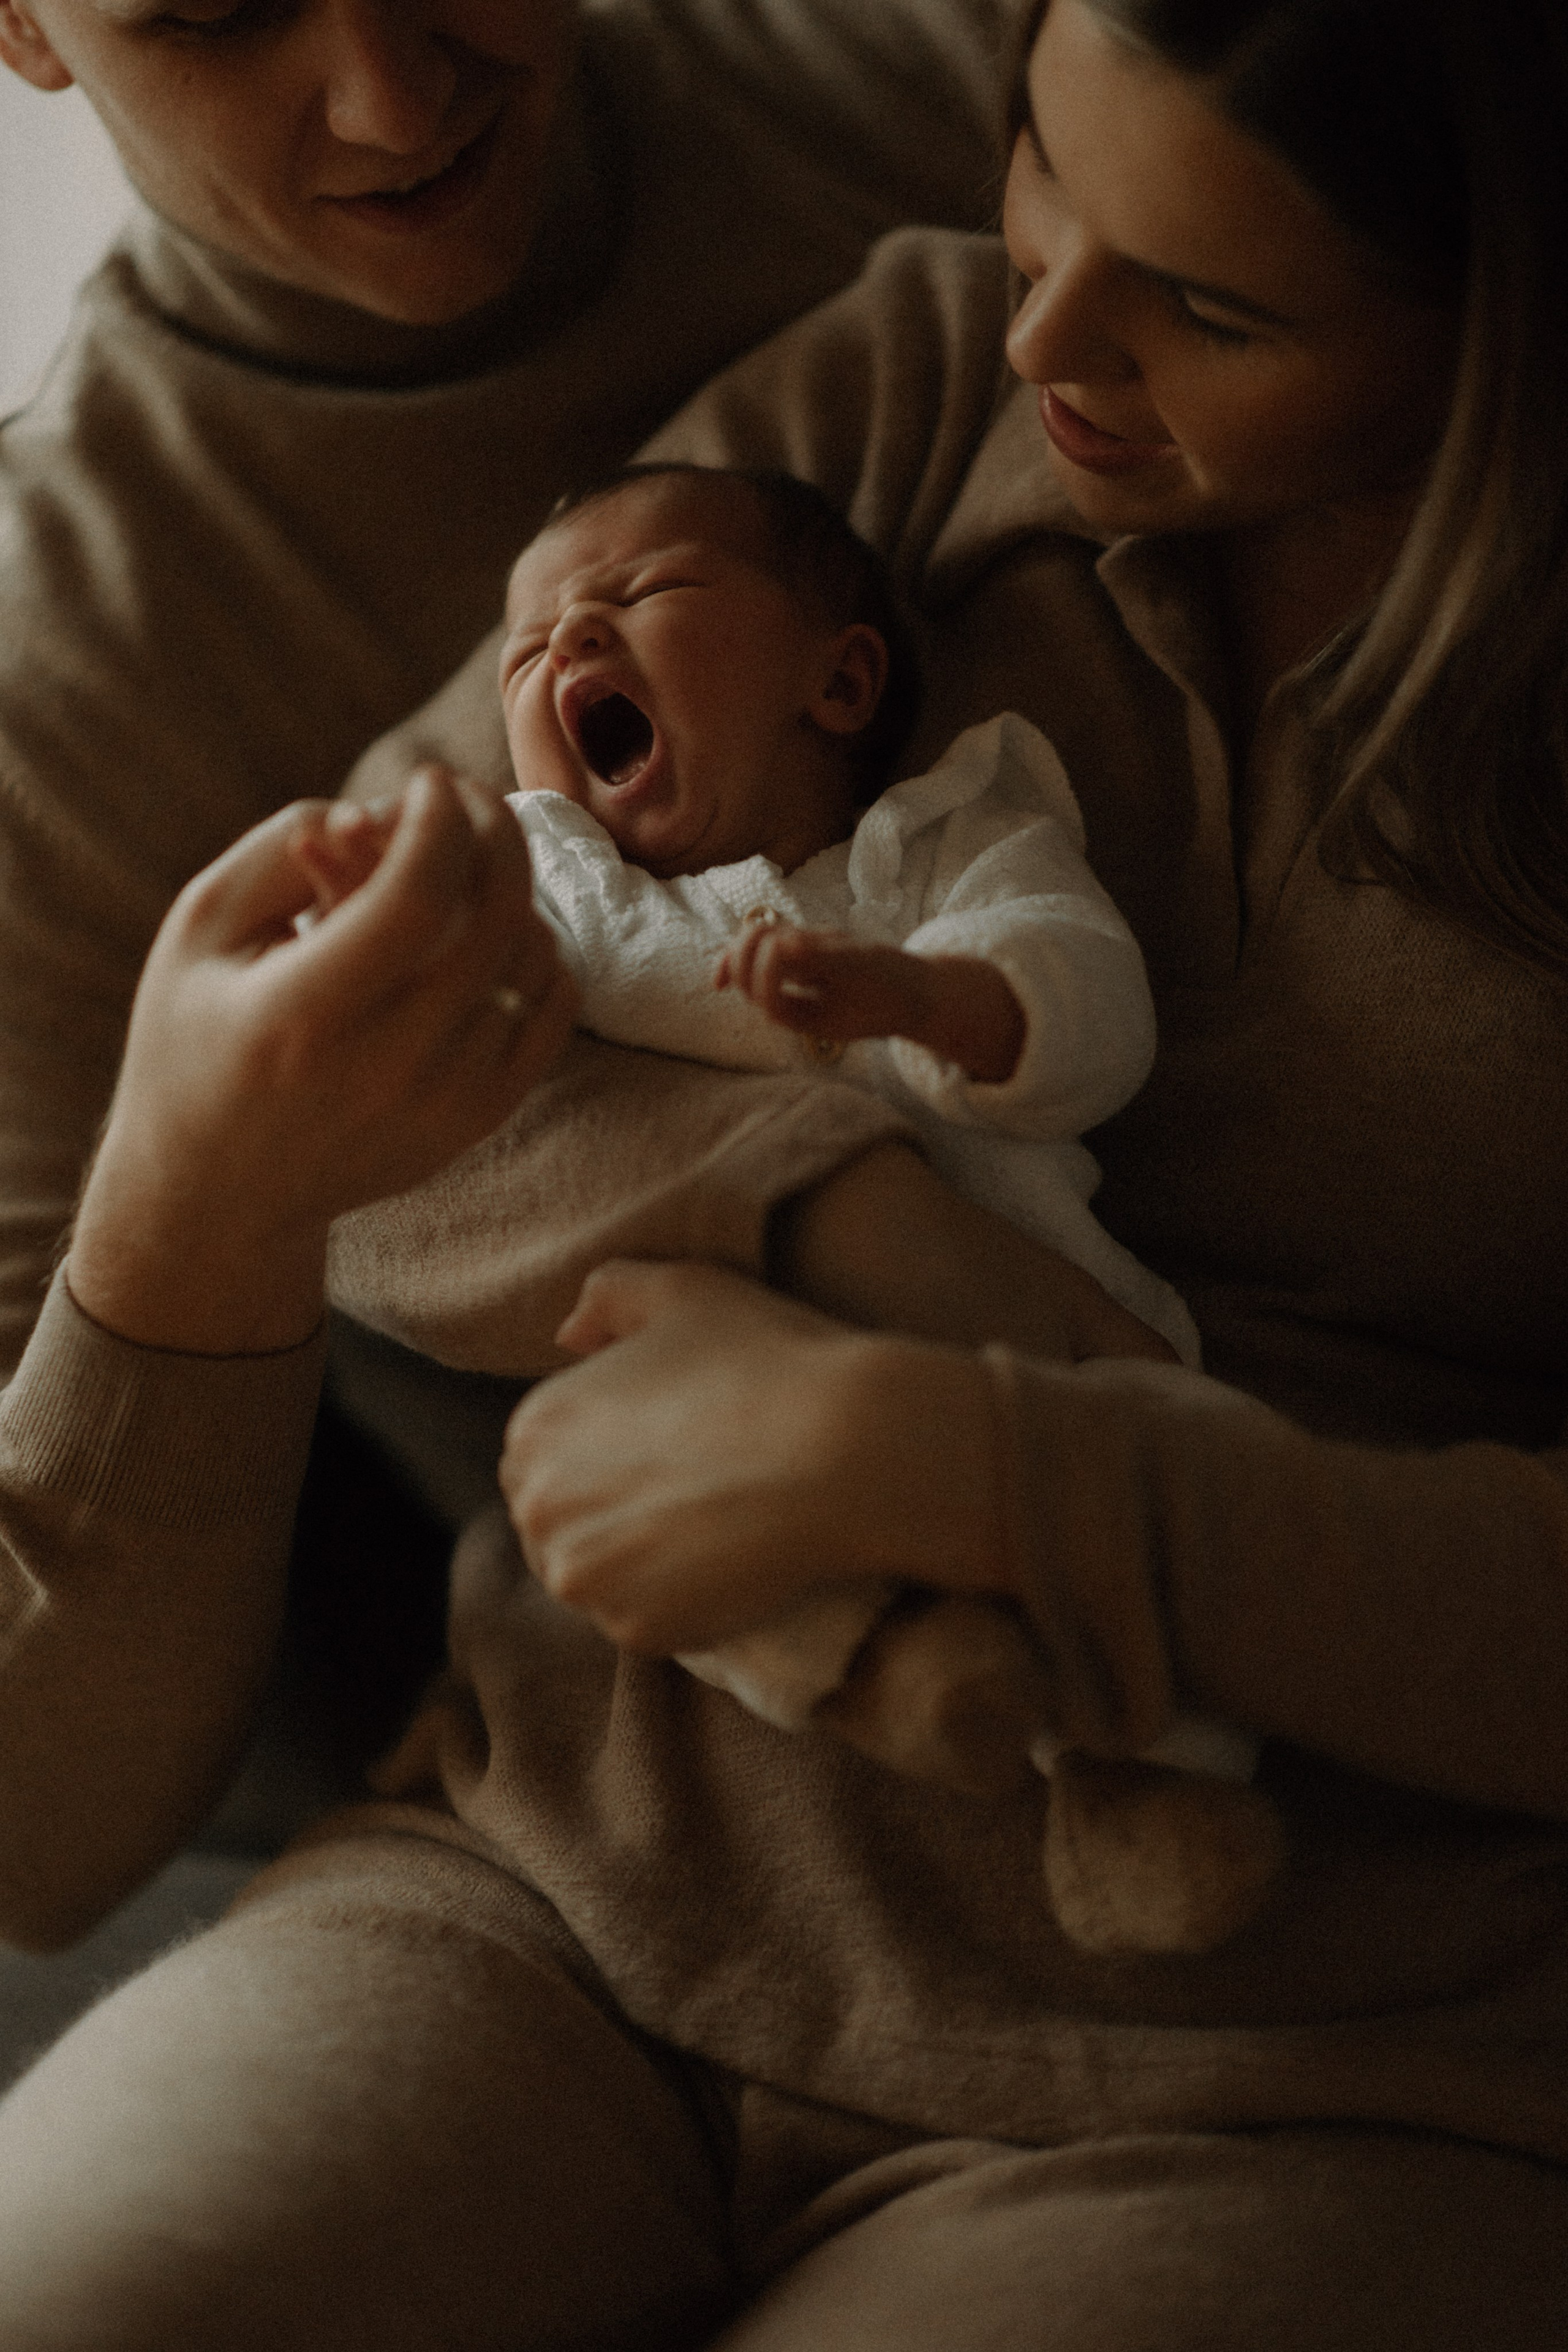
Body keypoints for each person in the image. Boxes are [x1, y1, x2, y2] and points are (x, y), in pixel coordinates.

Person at [7, 1, 1568, 2346]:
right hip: (563, 1875)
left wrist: (1021, 1474)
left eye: (1208, 302)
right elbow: (395, 1004)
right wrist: (857, 1220)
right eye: (1037, 170)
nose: (1041, 327)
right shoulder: (912, 363)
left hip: (1311, 2051)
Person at [0, 0, 1061, 1951]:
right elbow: (29, 1837)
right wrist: (197, 1210)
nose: (393, 97)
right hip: (652, 1819)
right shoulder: (50, 697)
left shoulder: (1000, 79)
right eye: (213, 10)